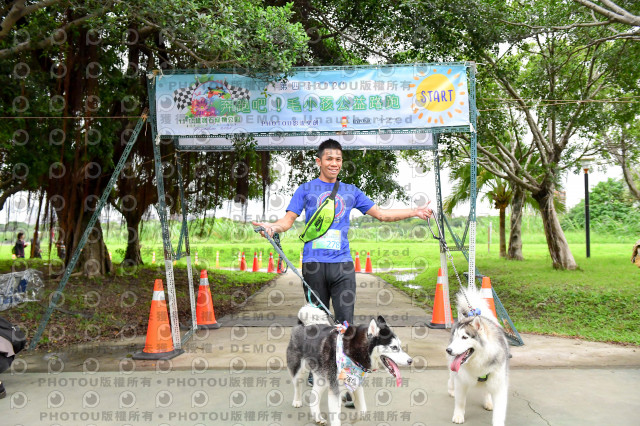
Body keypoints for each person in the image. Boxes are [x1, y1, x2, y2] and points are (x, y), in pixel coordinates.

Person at [253, 139, 433, 325]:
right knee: (315, 324)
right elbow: (287, 221)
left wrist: (415, 212)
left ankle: (343, 354)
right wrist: (272, 228)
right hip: (313, 265)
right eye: (329, 158)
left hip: (342, 265)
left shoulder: (351, 191)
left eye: (338, 159)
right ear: (318, 162)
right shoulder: (305, 190)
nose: (334, 163)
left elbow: (381, 214)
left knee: (345, 325)